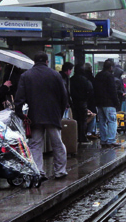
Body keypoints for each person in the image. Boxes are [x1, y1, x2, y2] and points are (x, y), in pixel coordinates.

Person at [14, 51, 68, 181]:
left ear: (34, 61)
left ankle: (38, 172)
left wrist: (21, 115)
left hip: (34, 115)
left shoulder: (26, 75)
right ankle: (60, 171)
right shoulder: (55, 75)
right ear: (46, 61)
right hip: (53, 115)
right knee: (57, 144)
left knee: (35, 144)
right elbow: (64, 96)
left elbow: (19, 98)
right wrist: (59, 113)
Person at [94, 59, 121, 148]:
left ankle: (104, 140)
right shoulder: (109, 76)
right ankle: (111, 140)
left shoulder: (98, 75)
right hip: (109, 103)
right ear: (111, 67)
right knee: (112, 121)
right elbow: (113, 91)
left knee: (102, 122)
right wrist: (117, 102)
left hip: (99, 103)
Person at [70, 63, 93, 143]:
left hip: (74, 102)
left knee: (75, 119)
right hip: (83, 103)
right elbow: (90, 91)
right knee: (83, 120)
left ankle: (75, 136)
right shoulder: (85, 80)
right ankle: (82, 137)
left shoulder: (72, 79)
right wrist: (85, 98)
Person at [84, 62, 98, 139]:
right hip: (90, 101)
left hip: (82, 101)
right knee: (93, 114)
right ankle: (90, 131)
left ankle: (87, 131)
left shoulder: (80, 77)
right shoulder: (91, 78)